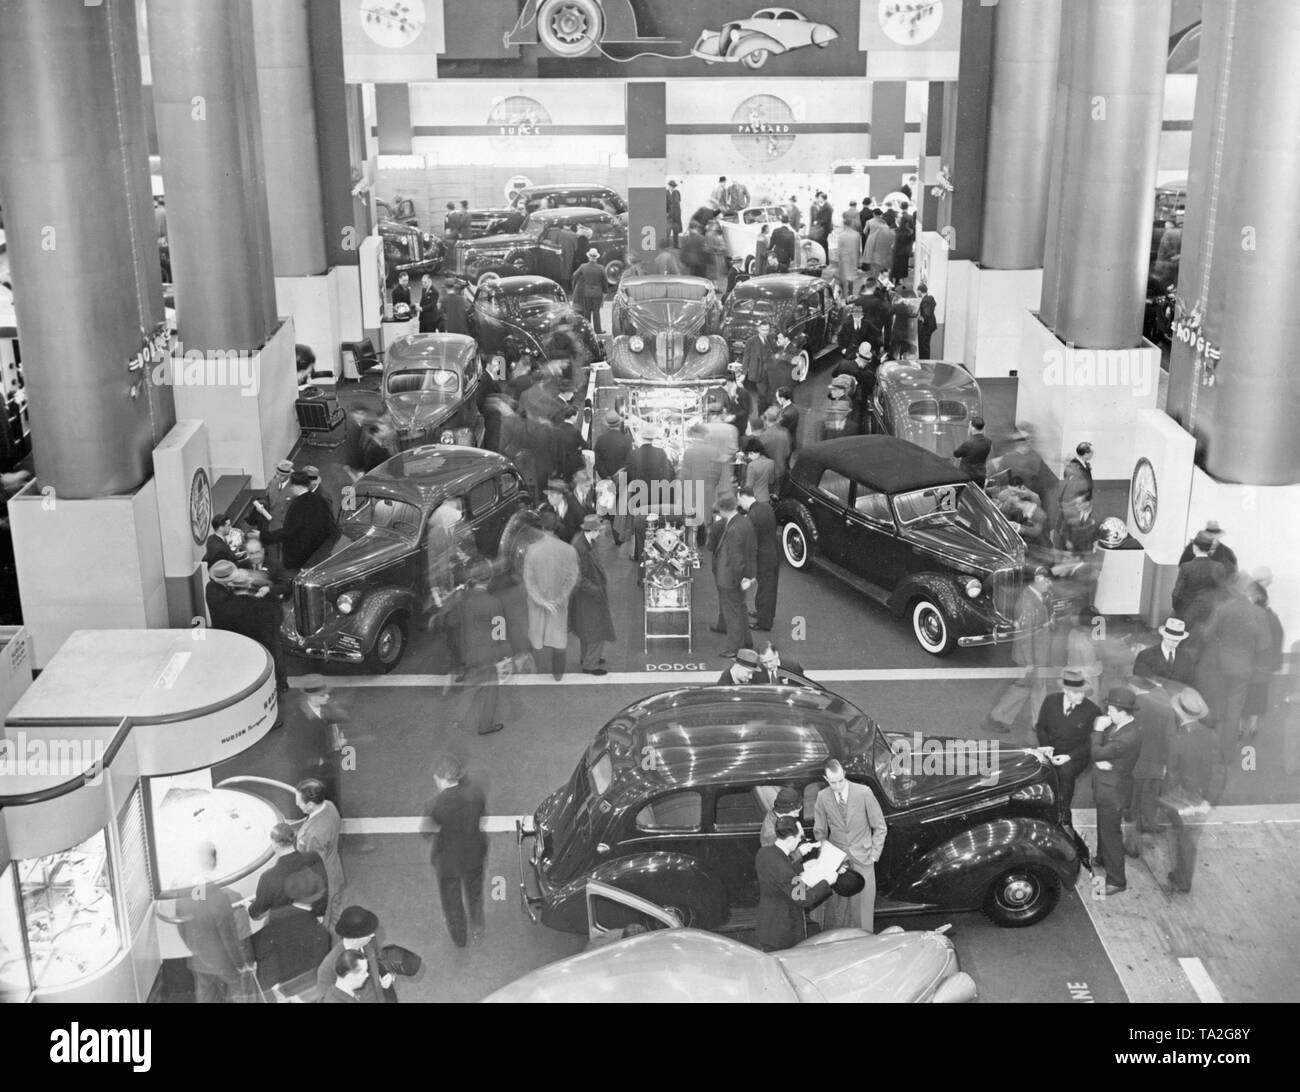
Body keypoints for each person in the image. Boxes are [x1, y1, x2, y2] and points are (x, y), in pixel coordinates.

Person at [1196, 575, 1270, 791]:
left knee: (1216, 709)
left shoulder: (1223, 608)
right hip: (1243, 668)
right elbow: (1264, 645)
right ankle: (1227, 755)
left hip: (1220, 666)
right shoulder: (1259, 613)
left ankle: (1211, 753)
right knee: (1234, 712)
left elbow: (1208, 635)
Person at [814, 759, 887, 933]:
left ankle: (866, 944)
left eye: (840, 780)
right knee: (840, 914)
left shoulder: (864, 793)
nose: (838, 786)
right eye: (833, 782)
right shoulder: (822, 797)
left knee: (864, 913)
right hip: (838, 865)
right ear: (826, 778)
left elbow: (880, 827)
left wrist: (874, 856)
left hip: (864, 860)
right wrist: (828, 854)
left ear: (844, 774)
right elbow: (819, 831)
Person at [175, 842, 253, 1003]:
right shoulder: (219, 897)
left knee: (206, 997)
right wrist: (240, 963)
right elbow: (228, 935)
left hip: (199, 960)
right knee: (239, 994)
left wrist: (196, 949)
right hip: (223, 961)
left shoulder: (184, 892)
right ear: (213, 863)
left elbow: (181, 926)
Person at [425, 753, 488, 949]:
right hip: (475, 853)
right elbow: (481, 816)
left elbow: (426, 831)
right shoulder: (476, 794)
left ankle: (459, 938)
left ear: (443, 778)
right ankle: (477, 925)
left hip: (448, 860)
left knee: (451, 900)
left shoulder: (435, 804)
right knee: (475, 891)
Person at [1160, 688, 1219, 893]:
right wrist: (1209, 799)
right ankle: (1183, 876)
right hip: (1202, 796)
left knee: (1180, 838)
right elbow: (1219, 771)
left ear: (1179, 713)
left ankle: (1182, 879)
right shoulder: (1211, 736)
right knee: (1190, 840)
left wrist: (1167, 798)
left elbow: (1172, 774)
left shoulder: (1177, 739)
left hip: (1183, 797)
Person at [987, 566, 1056, 738]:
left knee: (1037, 688)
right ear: (1039, 579)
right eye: (1048, 580)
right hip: (1031, 657)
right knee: (1023, 688)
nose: (1051, 584)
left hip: (1036, 655)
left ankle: (1038, 723)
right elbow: (1025, 636)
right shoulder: (1028, 603)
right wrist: (1029, 663)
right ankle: (997, 717)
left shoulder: (1038, 597)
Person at [1090, 686, 1143, 894]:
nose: (1107, 714)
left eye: (1111, 710)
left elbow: (1096, 752)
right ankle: (1102, 858)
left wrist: (1098, 730)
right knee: (1104, 827)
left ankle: (1116, 880)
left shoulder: (1127, 737)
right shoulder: (1122, 726)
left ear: (1123, 711)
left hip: (1113, 792)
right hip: (1108, 786)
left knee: (1111, 834)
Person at [1033, 667, 1100, 826]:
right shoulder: (1050, 701)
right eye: (1076, 692)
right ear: (1065, 690)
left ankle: (1064, 809)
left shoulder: (1092, 710)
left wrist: (1069, 757)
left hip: (1075, 755)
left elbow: (1091, 742)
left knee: (1065, 772)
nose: (1081, 696)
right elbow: (1041, 727)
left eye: (1083, 692)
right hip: (1051, 750)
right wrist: (1045, 747)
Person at [446, 564, 507, 735]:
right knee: (491, 690)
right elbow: (499, 633)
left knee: (471, 686)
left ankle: (457, 719)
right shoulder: (494, 603)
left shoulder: (464, 600)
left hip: (469, 652)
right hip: (488, 654)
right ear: (489, 579)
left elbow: (452, 622)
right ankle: (485, 726)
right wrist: (502, 655)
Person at [754, 816, 828, 951]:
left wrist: (804, 866)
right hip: (783, 933)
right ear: (789, 839)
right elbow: (804, 898)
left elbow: (779, 876)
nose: (800, 840)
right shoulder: (781, 865)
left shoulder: (765, 852)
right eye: (799, 837)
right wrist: (827, 881)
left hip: (769, 924)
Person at [523, 509, 580, 680]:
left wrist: (542, 601)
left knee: (537, 634)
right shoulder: (569, 550)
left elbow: (529, 580)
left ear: (540, 527)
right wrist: (559, 598)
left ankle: (538, 668)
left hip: (537, 604)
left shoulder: (532, 550)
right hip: (558, 604)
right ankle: (557, 674)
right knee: (558, 639)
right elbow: (572, 578)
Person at [252, 871, 331, 991]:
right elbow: (322, 971)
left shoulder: (273, 916)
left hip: (274, 989)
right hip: (304, 990)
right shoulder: (319, 932)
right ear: (317, 896)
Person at [707, 493, 756, 657]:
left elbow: (736, 558)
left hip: (730, 578)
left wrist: (740, 578)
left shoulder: (734, 528)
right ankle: (747, 641)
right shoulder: (744, 521)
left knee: (732, 613)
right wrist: (749, 575)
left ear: (722, 509)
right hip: (739, 576)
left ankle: (734, 649)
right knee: (741, 608)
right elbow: (750, 550)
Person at [249, 823, 328, 921]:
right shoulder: (314, 857)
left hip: (286, 925)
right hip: (314, 916)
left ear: (275, 844)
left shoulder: (268, 877)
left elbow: (255, 913)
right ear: (293, 838)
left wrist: (251, 905)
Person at [295, 778, 345, 931]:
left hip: (324, 883)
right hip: (334, 871)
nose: (297, 804)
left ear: (310, 804)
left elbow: (315, 869)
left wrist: (318, 907)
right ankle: (350, 939)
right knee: (336, 911)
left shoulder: (314, 835)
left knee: (323, 920)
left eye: (299, 802)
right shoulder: (329, 806)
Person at [262, 470, 336, 572]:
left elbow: (289, 531)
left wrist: (265, 537)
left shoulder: (297, 504)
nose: (291, 488)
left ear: (295, 485)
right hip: (318, 553)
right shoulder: (320, 499)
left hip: (299, 556)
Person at [315, 906, 392, 1003]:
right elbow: (324, 1000)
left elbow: (378, 956)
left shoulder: (368, 942)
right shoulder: (327, 968)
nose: (373, 935)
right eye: (368, 934)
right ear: (356, 938)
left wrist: (385, 973)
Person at [571, 514, 615, 676]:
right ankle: (590, 664)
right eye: (598, 530)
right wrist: (595, 591)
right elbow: (579, 577)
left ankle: (586, 657)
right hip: (589, 595)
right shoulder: (582, 548)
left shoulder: (585, 542)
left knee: (586, 629)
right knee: (596, 630)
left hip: (586, 596)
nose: (600, 533)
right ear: (592, 530)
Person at [624, 423, 674, 564]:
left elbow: (629, 476)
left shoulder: (633, 454)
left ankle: (640, 556)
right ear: (653, 438)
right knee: (658, 524)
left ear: (641, 437)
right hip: (658, 496)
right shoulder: (661, 453)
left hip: (639, 497)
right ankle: (659, 552)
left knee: (640, 527)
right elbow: (669, 474)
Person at [1244, 581, 1284, 740]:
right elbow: (1278, 639)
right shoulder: (1272, 617)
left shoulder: (1247, 614)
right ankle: (1253, 728)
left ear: (1253, 597)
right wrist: (1274, 664)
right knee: (1258, 698)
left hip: (1245, 667)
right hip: (1263, 669)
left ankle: (1240, 729)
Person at [736, 487, 779, 633]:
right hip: (773, 553)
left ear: (743, 497)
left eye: (739, 500)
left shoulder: (752, 516)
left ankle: (764, 623)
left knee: (765, 590)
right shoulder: (766, 507)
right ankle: (763, 613)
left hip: (763, 558)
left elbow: (751, 544)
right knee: (768, 588)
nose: (739, 503)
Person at [679, 423, 724, 548]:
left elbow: (684, 474)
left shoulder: (689, 452)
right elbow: (718, 472)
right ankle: (708, 542)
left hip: (692, 489)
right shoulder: (714, 451)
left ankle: (692, 545)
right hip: (708, 489)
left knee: (693, 517)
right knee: (707, 516)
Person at [1172, 530, 1227, 627]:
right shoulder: (1219, 567)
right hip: (1210, 616)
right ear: (1209, 548)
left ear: (1195, 547)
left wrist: (1179, 611)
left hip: (1188, 614)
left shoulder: (1186, 567)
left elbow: (1176, 595)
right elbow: (1222, 593)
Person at [1132, 617, 1197, 685]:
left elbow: (1189, 684)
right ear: (1163, 636)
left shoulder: (1186, 657)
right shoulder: (1145, 656)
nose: (1172, 643)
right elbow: (1139, 683)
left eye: (1176, 641)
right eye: (1169, 639)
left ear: (1181, 640)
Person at [572, 247, 607, 334]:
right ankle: (598, 330)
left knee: (587, 312)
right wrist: (605, 292)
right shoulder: (601, 268)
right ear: (596, 257)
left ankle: (587, 330)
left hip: (586, 292)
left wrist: (580, 280)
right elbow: (605, 282)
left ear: (589, 257)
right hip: (597, 293)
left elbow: (574, 275)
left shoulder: (583, 267)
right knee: (596, 312)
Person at [713, 362, 753, 438]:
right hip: (729, 425)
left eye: (724, 384)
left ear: (730, 382)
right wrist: (723, 411)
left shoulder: (742, 393)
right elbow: (725, 405)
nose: (723, 387)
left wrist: (734, 416)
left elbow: (746, 410)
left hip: (739, 425)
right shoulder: (726, 393)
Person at [756, 406, 791, 492]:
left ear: (766, 418)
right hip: (782, 471)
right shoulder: (786, 432)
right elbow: (787, 452)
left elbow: (757, 455)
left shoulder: (765, 435)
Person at [541, 476, 585, 544]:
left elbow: (582, 530)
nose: (548, 497)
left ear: (561, 495)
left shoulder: (575, 509)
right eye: (548, 494)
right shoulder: (545, 509)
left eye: (552, 495)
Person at [952, 416, 991, 485]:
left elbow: (956, 454)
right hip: (981, 475)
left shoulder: (968, 443)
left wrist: (969, 435)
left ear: (972, 428)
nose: (968, 427)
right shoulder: (988, 442)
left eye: (969, 426)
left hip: (968, 477)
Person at [831, 212, 862, 297]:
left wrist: (838, 261)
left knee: (844, 278)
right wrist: (858, 260)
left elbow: (839, 250)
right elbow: (858, 249)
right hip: (854, 258)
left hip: (844, 259)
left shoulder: (841, 235)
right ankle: (851, 293)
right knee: (851, 277)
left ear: (844, 225)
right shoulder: (857, 234)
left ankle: (844, 295)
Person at [1058, 441, 1095, 509]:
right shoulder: (1073, 465)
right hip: (1075, 504)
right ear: (1086, 453)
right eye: (1092, 452)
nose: (1093, 454)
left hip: (1083, 502)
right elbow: (1071, 486)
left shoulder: (1084, 465)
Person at [740, 437, 775, 503]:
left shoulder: (752, 465)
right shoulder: (771, 462)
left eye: (751, 453)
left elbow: (749, 486)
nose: (749, 456)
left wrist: (740, 490)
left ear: (758, 452)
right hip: (766, 498)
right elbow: (771, 481)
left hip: (754, 498)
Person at [916, 282, 937, 358]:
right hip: (930, 326)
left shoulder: (925, 301)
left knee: (923, 347)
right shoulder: (930, 299)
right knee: (926, 346)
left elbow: (926, 314)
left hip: (925, 327)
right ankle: (925, 361)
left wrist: (921, 318)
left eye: (917, 291)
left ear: (919, 291)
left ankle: (924, 363)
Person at [666, 181, 682, 248]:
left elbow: (678, 203)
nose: (673, 187)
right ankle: (666, 245)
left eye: (674, 186)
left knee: (676, 230)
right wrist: (666, 213)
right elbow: (664, 204)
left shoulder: (677, 193)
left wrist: (679, 212)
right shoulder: (665, 193)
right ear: (669, 186)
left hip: (676, 215)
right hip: (669, 215)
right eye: (672, 186)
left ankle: (676, 245)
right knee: (667, 231)